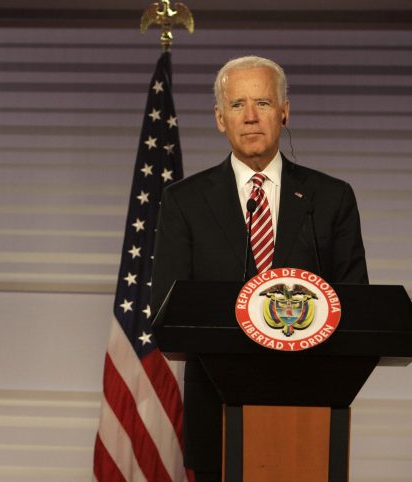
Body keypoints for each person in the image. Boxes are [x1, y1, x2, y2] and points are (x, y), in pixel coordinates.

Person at [150, 56, 368, 481]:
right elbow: (167, 311)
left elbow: (357, 306)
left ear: (285, 112)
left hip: (310, 409)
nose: (250, 117)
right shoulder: (185, 201)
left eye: (264, 103)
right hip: (217, 410)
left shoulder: (331, 198)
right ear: (219, 118)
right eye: (237, 105)